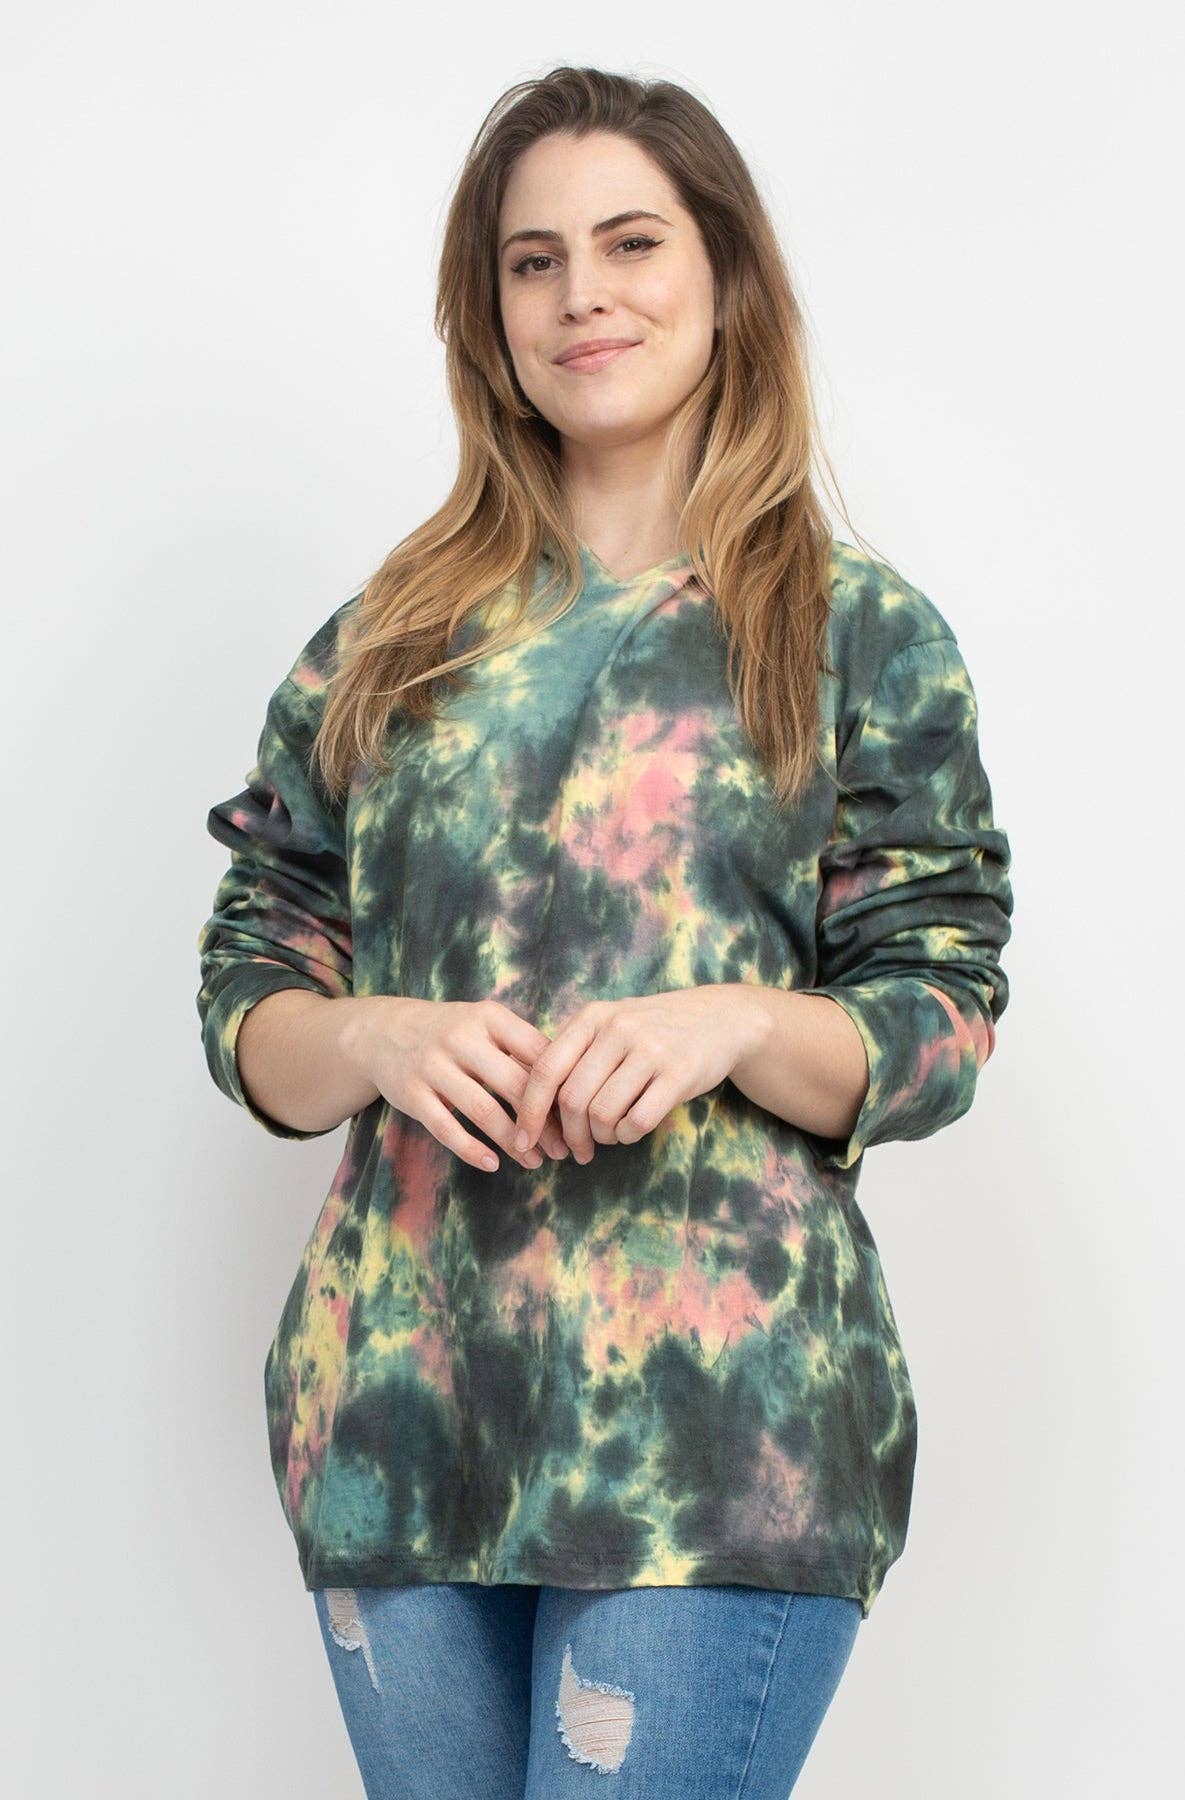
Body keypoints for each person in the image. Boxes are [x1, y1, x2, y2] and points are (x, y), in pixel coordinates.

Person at [195, 64, 1014, 1799]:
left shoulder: (855, 634)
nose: (585, 295)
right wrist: (373, 1034)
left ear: (724, 274)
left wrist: (737, 1019)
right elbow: (252, 975)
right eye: (533, 260)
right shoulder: (389, 639)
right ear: (488, 313)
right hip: (398, 1417)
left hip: (716, 1441)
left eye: (633, 243)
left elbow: (941, 1008)